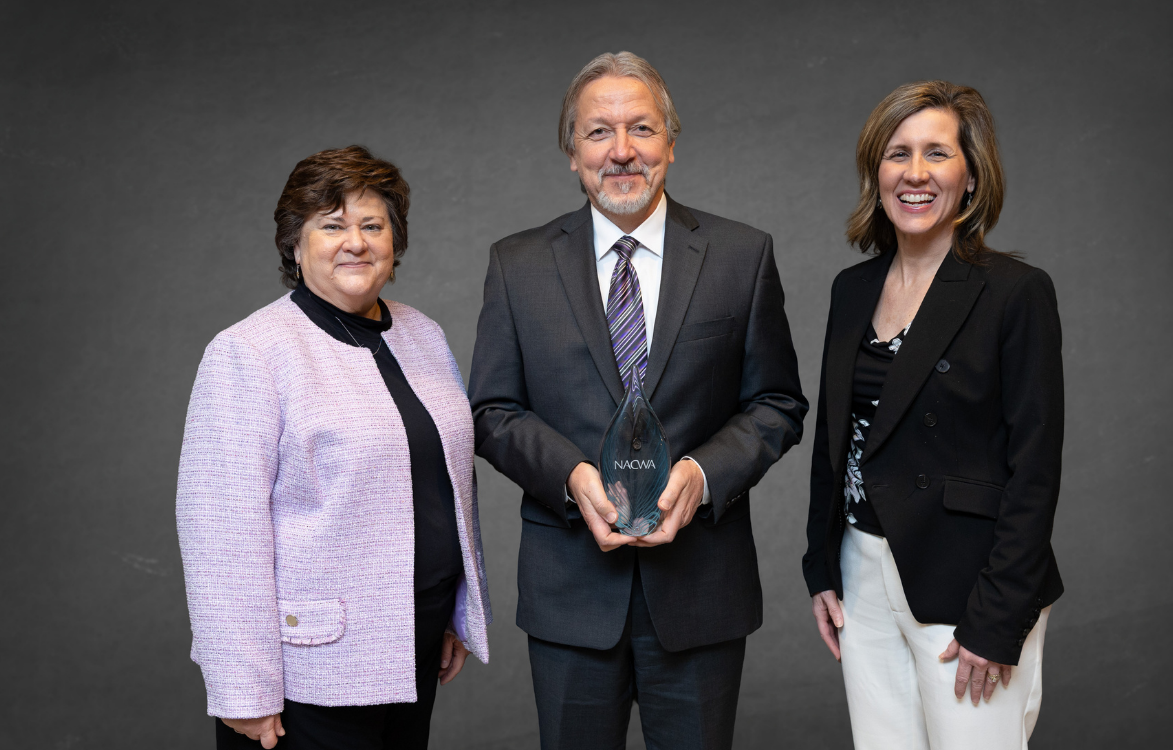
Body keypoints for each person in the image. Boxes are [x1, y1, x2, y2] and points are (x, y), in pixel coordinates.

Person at [468, 52, 807, 750]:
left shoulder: (742, 256)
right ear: (572, 152)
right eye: (598, 132)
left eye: (642, 129)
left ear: (671, 144)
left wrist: (703, 475)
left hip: (701, 592)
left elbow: (777, 401)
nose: (621, 151)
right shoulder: (517, 264)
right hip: (569, 594)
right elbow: (493, 411)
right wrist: (570, 477)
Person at [176, 146, 490, 750]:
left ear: (394, 243)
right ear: (295, 245)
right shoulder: (250, 352)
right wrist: (244, 687)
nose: (356, 241)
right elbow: (218, 534)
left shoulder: (422, 334)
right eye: (332, 224)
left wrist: (453, 610)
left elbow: (440, 483)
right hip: (309, 671)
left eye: (373, 225)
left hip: (412, 646)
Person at [803, 81, 1064, 749]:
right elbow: (836, 438)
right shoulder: (851, 288)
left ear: (970, 177)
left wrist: (1000, 616)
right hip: (860, 570)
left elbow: (1034, 467)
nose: (915, 173)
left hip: (969, 581)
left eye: (937, 153)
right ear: (876, 172)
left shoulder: (1014, 293)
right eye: (897, 154)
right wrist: (821, 566)